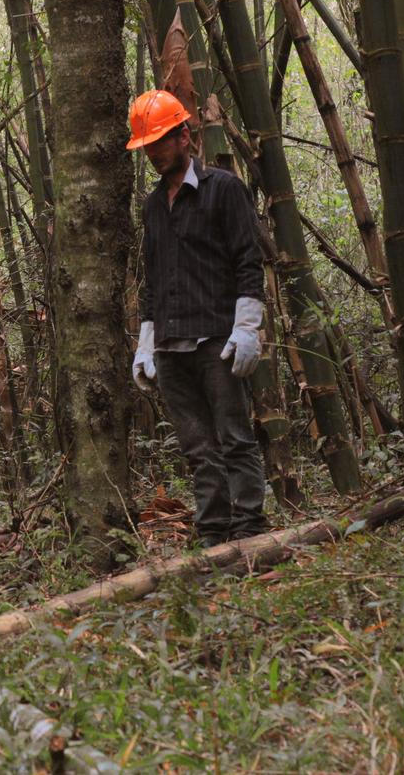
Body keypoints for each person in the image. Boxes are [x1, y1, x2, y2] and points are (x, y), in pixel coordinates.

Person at [127, 91, 269, 546]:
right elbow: (152, 277)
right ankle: (213, 532)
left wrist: (247, 326)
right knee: (197, 448)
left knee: (234, 437)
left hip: (216, 339)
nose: (153, 154)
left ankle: (249, 529)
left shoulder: (224, 189)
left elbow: (249, 259)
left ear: (184, 137)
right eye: (147, 147)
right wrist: (145, 342)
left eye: (160, 143)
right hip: (170, 346)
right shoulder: (152, 206)